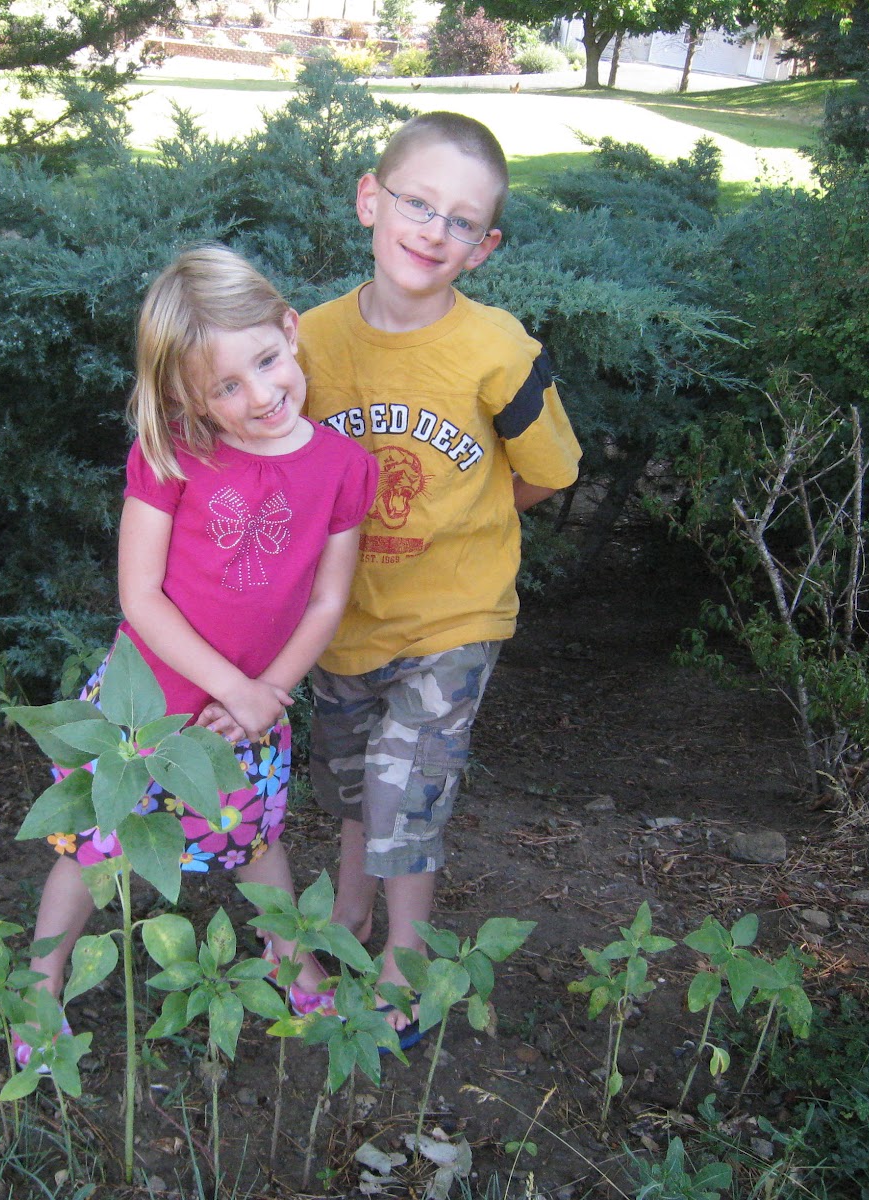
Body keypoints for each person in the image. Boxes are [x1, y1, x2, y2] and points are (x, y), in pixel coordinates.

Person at [16, 246, 380, 1067]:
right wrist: (234, 686)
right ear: (188, 395)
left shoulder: (343, 468)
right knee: (91, 848)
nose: (261, 396)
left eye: (267, 360)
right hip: (144, 713)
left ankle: (291, 959)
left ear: (291, 330)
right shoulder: (174, 454)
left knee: (255, 839)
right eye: (226, 387)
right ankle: (40, 985)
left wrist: (270, 691)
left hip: (252, 710)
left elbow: (328, 598)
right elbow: (140, 596)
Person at [298, 112, 583, 1042]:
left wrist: (469, 524)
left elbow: (548, 471)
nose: (433, 230)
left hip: (454, 619)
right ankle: (348, 918)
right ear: (368, 201)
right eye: (417, 203)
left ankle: (404, 962)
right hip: (340, 619)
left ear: (485, 246)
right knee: (351, 787)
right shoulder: (305, 345)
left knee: (407, 791)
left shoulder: (499, 352)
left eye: (461, 221)